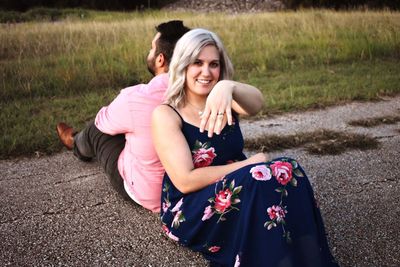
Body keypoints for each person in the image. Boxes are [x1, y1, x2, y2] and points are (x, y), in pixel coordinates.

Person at [152, 28, 339, 266]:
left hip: (238, 185)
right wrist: (249, 164)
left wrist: (227, 87)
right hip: (190, 208)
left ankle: (308, 254)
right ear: (183, 66)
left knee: (291, 169)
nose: (206, 72)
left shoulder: (224, 100)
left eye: (214, 64)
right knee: (259, 177)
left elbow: (256, 103)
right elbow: (185, 181)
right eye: (197, 63)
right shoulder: (167, 114)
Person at [56, 20, 190, 212]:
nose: (149, 52)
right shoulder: (204, 90)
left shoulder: (137, 97)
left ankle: (75, 142)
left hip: (151, 195)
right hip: (192, 188)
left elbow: (102, 122)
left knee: (97, 131)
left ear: (160, 59)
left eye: (151, 48)